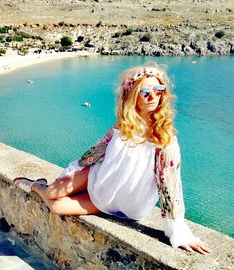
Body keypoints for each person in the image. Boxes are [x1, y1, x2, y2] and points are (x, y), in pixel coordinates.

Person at [13, 62, 211, 254]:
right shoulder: (122, 126)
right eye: (145, 92)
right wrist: (71, 172)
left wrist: (178, 231)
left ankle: (41, 186)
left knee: (56, 207)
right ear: (133, 96)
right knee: (54, 192)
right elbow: (95, 153)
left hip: (125, 203)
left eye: (159, 89)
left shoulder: (165, 139)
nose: (153, 96)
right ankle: (37, 185)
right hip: (100, 179)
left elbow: (169, 185)